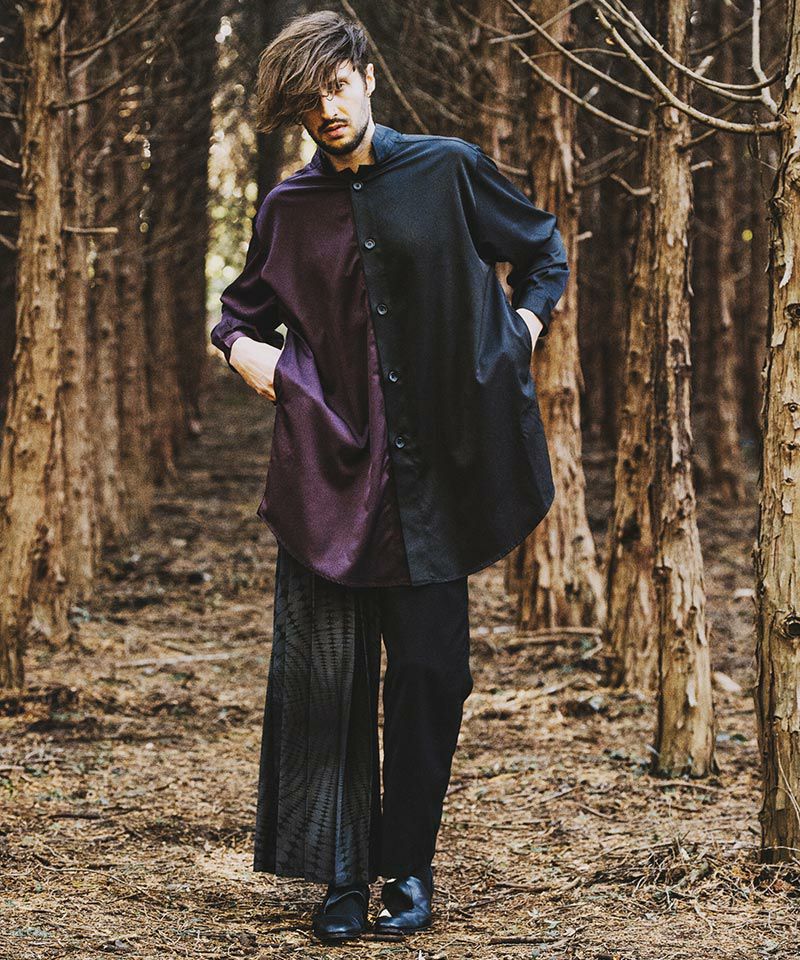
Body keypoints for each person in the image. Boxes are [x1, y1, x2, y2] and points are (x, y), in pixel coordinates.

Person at [210, 9, 570, 945]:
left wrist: (519, 333)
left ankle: (407, 864)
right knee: (329, 679)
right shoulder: (289, 208)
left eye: (338, 87)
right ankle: (340, 872)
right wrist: (245, 353)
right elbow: (238, 312)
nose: (327, 109)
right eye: (309, 101)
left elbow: (542, 249)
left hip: (432, 480)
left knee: (431, 673)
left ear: (367, 78)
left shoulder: (447, 170)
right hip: (331, 477)